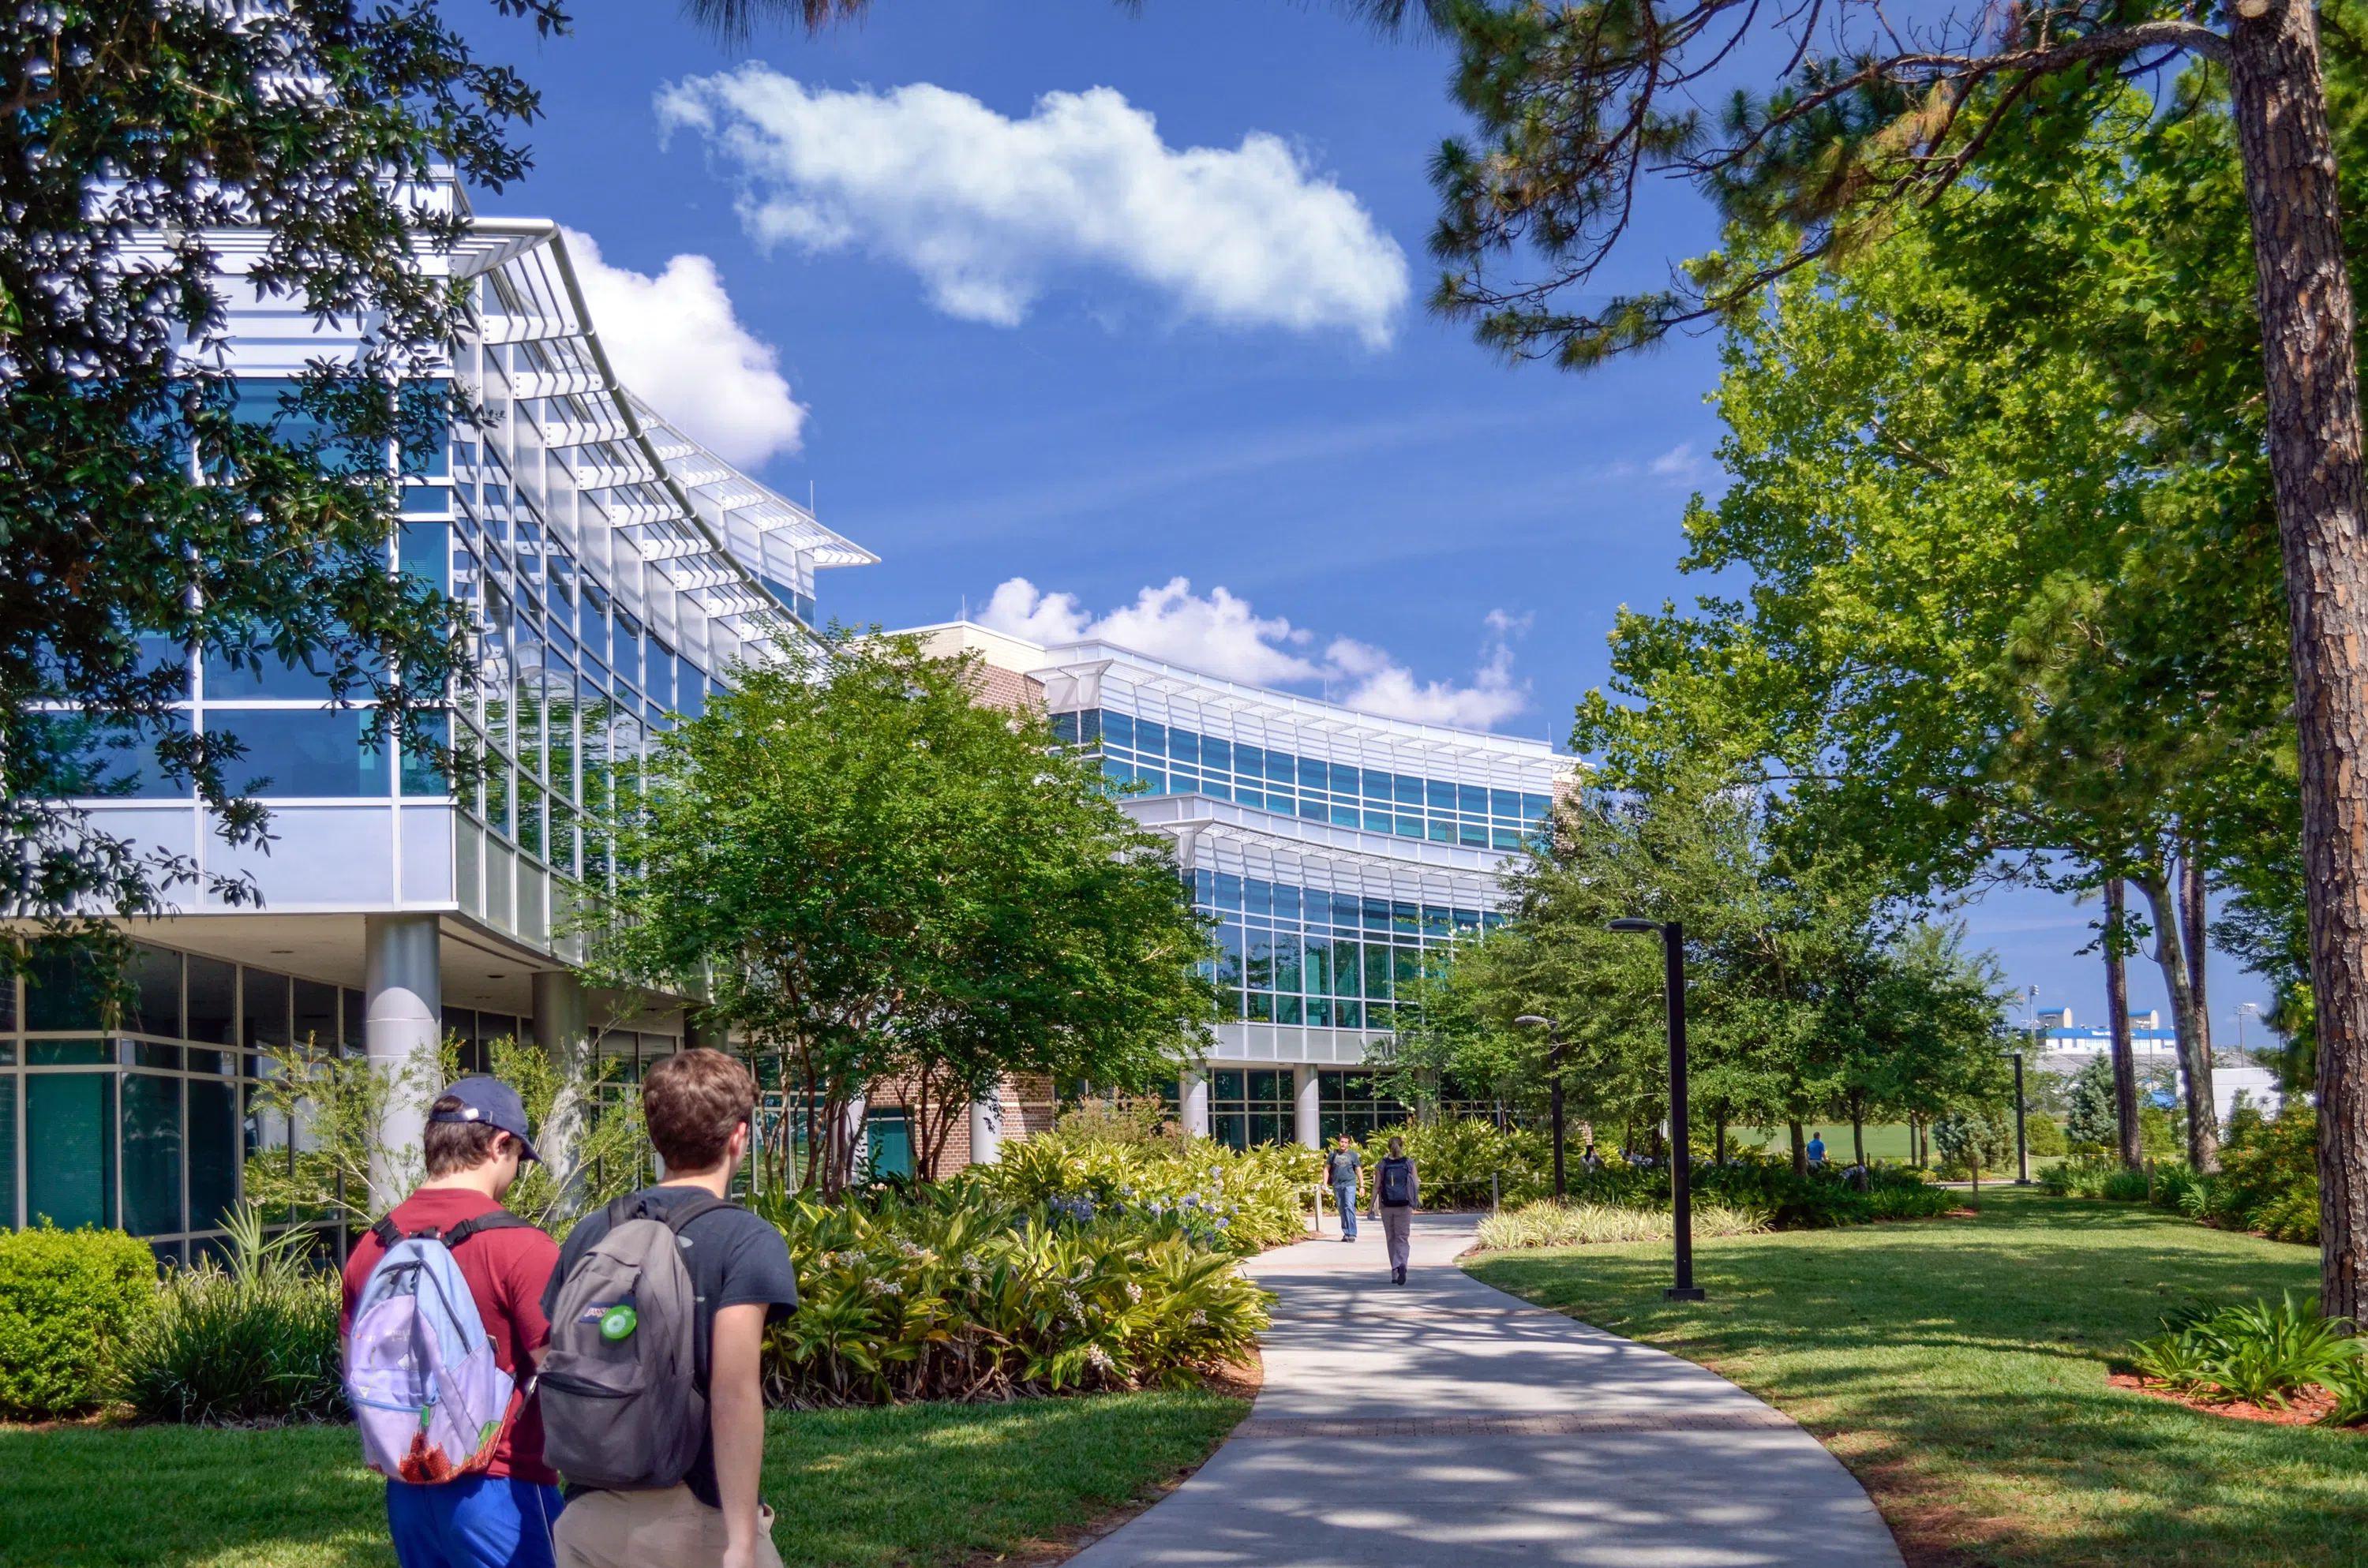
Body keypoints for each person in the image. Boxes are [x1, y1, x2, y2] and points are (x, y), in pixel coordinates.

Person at [547, 1049, 800, 1568]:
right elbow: (732, 1391)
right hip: (694, 1518)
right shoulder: (747, 1239)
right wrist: (740, 1543)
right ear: (738, 1136)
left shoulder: (592, 1232)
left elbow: (547, 1356)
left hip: (586, 1517)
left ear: (655, 1136)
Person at [340, 1076, 563, 1568]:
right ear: (500, 1144)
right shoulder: (524, 1247)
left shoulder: (372, 1247)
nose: (515, 1175)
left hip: (408, 1491)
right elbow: (566, 1373)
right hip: (505, 1488)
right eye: (518, 1160)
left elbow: (354, 1364)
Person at [1370, 1135, 1418, 1285]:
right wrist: (1414, 1201)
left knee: (1391, 1238)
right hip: (1404, 1206)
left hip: (1387, 1206)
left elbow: (1377, 1186)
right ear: (1402, 1146)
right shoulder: (1409, 1163)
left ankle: (1395, 1271)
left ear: (1388, 1147)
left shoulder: (1382, 1164)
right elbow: (1415, 1185)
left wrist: (1371, 1207)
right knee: (1402, 1237)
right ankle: (1402, 1262)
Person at [1325, 1134, 1362, 1242]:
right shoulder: (1333, 1154)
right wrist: (1324, 1183)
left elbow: (1358, 1170)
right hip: (1337, 1185)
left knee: (1349, 1206)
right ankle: (1346, 1233)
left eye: (1345, 1142)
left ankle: (1352, 1233)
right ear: (1339, 1142)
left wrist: (1362, 1185)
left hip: (1350, 1184)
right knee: (1341, 1209)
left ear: (1348, 1144)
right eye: (1342, 1142)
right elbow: (1326, 1169)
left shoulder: (1353, 1155)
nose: (1343, 1144)